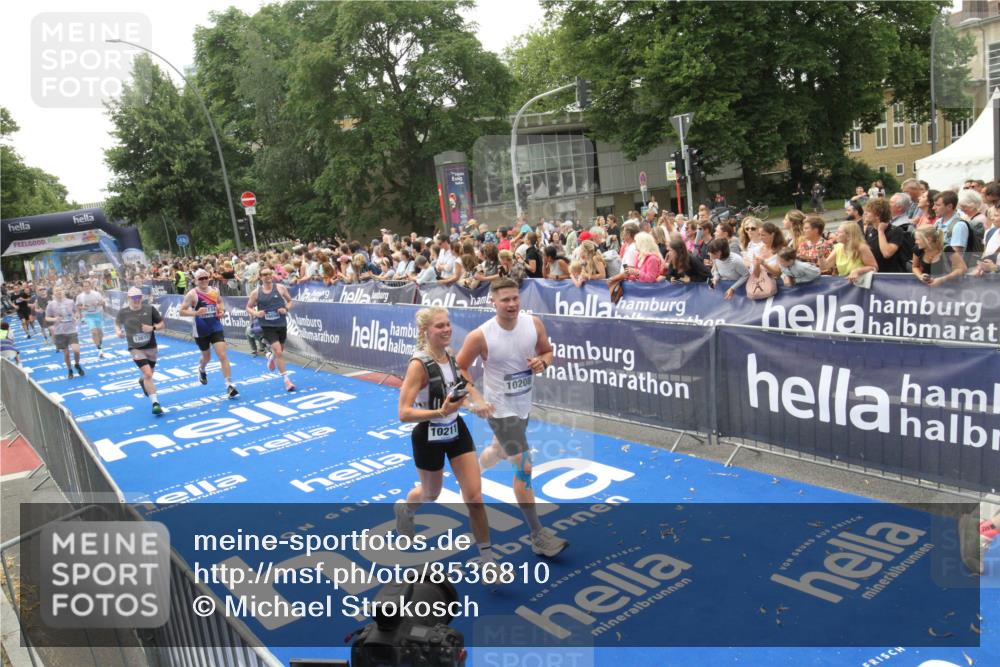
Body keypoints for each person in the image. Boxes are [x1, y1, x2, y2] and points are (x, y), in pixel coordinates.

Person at [456, 278, 569, 558]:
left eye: (515, 298)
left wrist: (543, 362)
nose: (511, 304)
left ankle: (475, 473)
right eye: (505, 300)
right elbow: (460, 370)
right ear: (492, 302)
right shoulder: (480, 335)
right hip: (499, 408)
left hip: (523, 404)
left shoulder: (534, 324)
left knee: (499, 449)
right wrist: (477, 399)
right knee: (524, 466)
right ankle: (537, 534)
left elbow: (547, 351)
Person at [394, 307, 497, 566]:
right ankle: (406, 510)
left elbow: (465, 381)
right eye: (440, 326)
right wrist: (441, 410)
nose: (447, 329)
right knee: (431, 494)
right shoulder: (418, 365)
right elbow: (403, 413)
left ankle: (487, 560)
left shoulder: (450, 354)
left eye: (448, 324)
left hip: (456, 430)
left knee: (474, 496)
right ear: (425, 331)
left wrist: (478, 401)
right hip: (427, 435)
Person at [181, 269, 238, 398]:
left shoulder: (215, 290)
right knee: (206, 357)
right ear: (196, 281)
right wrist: (196, 313)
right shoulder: (192, 294)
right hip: (201, 329)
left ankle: (229, 385)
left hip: (215, 326)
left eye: (206, 277)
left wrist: (222, 310)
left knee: (222, 355)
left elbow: (220, 302)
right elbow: (181, 311)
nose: (204, 280)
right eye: (200, 279)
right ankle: (201, 369)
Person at [115, 287, 166, 415]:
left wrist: (152, 328)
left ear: (142, 298)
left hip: (151, 346)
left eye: (138, 297)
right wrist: (118, 331)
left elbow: (162, 325)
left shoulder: (149, 309)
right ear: (129, 299)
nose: (136, 300)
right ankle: (155, 403)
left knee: (149, 376)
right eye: (133, 298)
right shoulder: (123, 312)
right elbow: (117, 323)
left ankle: (142, 381)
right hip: (135, 347)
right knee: (148, 374)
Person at [247, 267, 296, 392]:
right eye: (264, 274)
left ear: (272, 275)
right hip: (267, 326)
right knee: (279, 352)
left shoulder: (280, 288)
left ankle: (271, 357)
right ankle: (287, 380)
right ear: (260, 277)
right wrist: (256, 313)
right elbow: (248, 307)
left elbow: (290, 301)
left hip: (281, 324)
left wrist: (286, 309)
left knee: (280, 350)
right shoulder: (256, 292)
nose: (267, 276)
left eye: (269, 274)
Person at [45, 284, 84, 378]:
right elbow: (47, 317)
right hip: (59, 331)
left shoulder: (70, 302)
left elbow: (76, 312)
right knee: (66, 353)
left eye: (60, 290)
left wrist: (75, 316)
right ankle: (69, 369)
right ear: (54, 293)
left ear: (63, 291)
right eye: (56, 290)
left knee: (76, 350)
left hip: (71, 329)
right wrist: (55, 319)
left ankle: (77, 364)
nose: (59, 292)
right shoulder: (51, 304)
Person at [75, 279, 107, 359]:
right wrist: (83, 308)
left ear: (90, 286)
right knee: (94, 332)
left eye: (87, 286)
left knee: (100, 333)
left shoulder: (96, 294)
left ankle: (100, 344)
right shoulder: (80, 296)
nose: (86, 288)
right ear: (82, 287)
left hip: (98, 314)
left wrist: (97, 303)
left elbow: (103, 302)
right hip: (88, 315)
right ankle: (100, 350)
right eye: (84, 286)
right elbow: (78, 306)